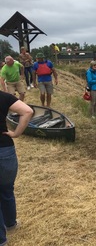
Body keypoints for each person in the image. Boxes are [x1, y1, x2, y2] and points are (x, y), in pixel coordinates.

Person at [0, 91, 33, 246]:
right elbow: (27, 111)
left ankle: (2, 240)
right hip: (4, 148)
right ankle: (11, 224)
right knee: (6, 188)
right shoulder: (3, 96)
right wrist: (16, 133)